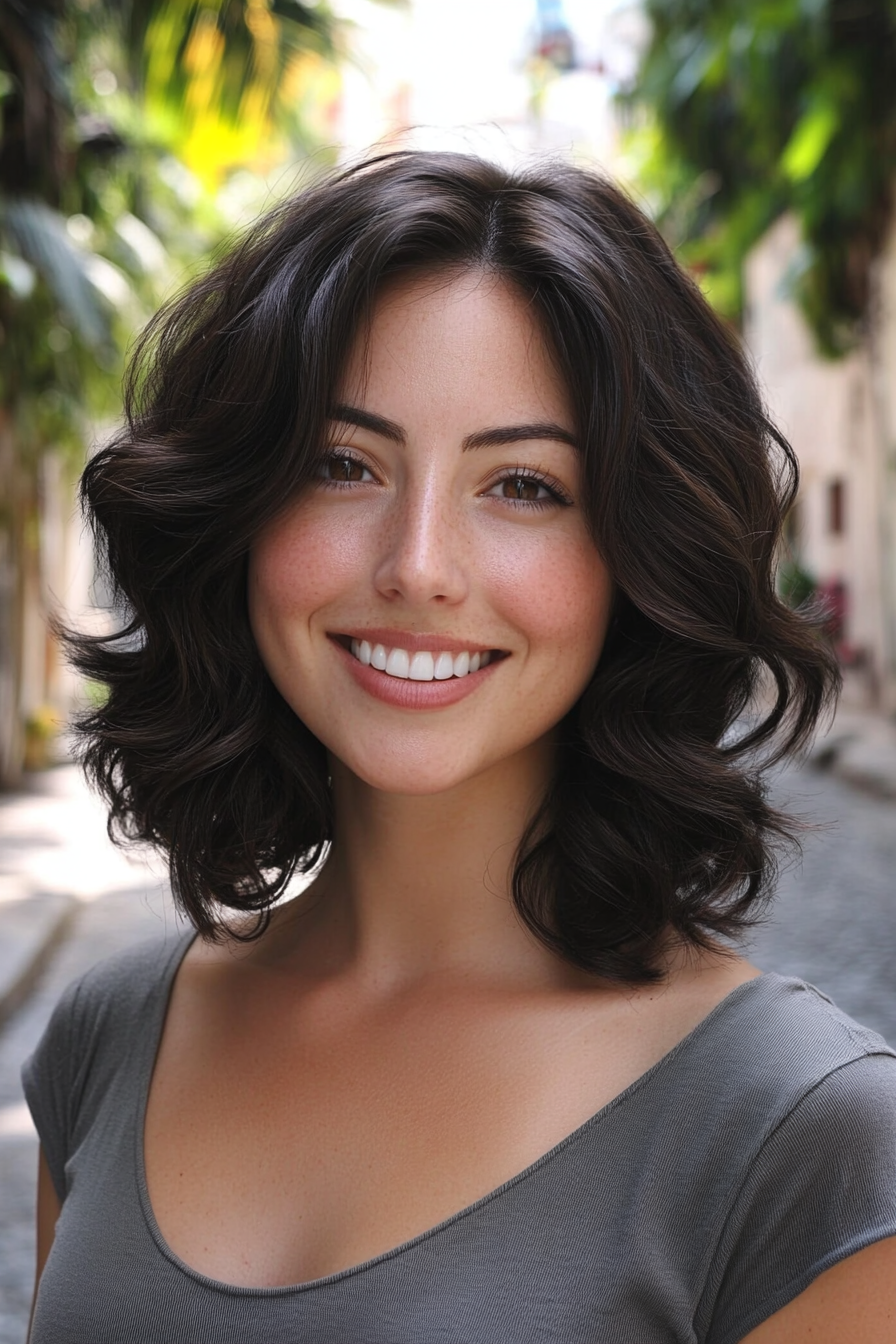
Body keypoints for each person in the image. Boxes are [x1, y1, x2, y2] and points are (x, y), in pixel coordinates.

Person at [23, 151, 896, 1343]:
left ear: (637, 557)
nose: (417, 564)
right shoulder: (108, 1039)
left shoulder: (804, 1140)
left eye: (524, 485)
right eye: (343, 465)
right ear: (238, 511)